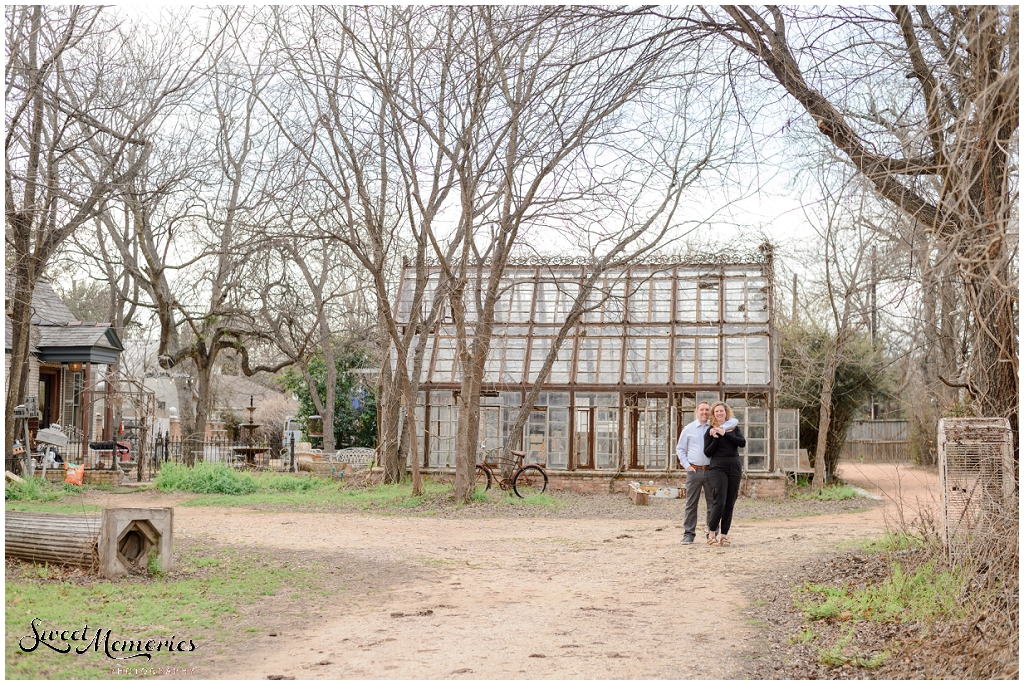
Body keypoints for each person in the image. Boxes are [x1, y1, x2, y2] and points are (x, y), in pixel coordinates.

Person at [676, 401, 737, 545]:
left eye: (707, 410)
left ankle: (712, 533)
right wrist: (686, 465)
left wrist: (721, 427)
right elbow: (680, 448)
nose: (704, 412)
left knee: (714, 503)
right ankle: (689, 534)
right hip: (694, 470)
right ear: (696, 411)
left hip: (713, 471)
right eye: (701, 410)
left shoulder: (716, 426)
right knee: (691, 504)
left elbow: (734, 420)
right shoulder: (689, 429)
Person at [704, 402, 745, 547]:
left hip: (734, 466)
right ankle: (712, 534)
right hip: (717, 468)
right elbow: (707, 452)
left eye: (722, 411)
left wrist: (724, 434)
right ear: (713, 414)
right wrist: (716, 437)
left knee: (730, 502)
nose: (719, 413)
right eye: (717, 411)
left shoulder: (733, 428)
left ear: (726, 413)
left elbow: (742, 443)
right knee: (719, 501)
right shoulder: (709, 430)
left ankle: (724, 536)